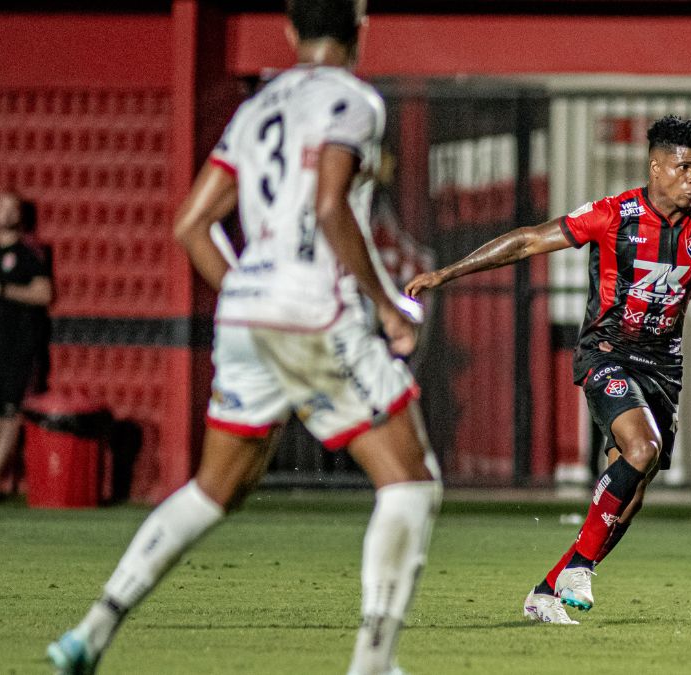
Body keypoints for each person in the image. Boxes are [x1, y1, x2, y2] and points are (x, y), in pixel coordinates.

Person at [48, 2, 439, 673]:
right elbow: (328, 206)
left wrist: (247, 295)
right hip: (313, 309)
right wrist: (388, 306)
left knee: (213, 489)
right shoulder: (353, 100)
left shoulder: (255, 109)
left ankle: (91, 628)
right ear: (359, 26)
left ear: (290, 31)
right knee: (411, 483)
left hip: (243, 312)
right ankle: (373, 664)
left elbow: (191, 225)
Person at [405, 115, 691, 624]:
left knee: (631, 496)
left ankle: (545, 592)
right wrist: (449, 273)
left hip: (664, 368)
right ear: (656, 165)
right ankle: (580, 568)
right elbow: (530, 241)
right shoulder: (613, 214)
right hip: (607, 353)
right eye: (684, 166)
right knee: (641, 449)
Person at [0, 191, 53, 496]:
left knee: (11, 413)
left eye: (12, 208)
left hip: (17, 346)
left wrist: (5, 290)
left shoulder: (28, 254)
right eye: (2, 207)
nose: (6, 214)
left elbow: (44, 294)